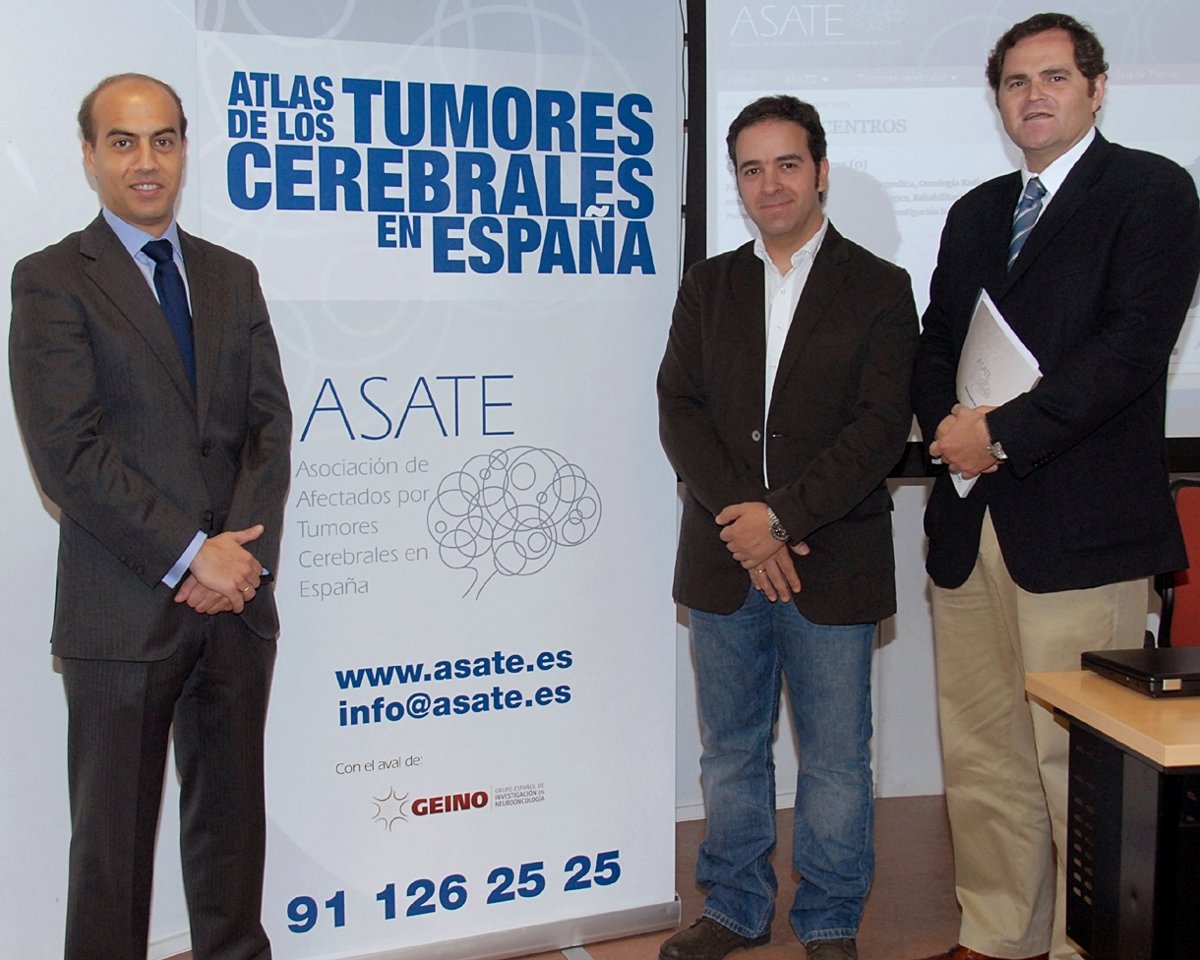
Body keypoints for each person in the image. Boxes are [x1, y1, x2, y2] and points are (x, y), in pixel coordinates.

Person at [911, 13, 1200, 960]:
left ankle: (1084, 947)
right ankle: (998, 935)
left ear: (1097, 88)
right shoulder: (975, 211)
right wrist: (950, 430)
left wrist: (996, 435)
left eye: (1055, 77)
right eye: (1015, 81)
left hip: (1084, 528)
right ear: (997, 100)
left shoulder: (1152, 191)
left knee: (1080, 759)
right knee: (983, 748)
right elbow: (936, 343)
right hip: (971, 523)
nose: (1033, 95)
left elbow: (1130, 350)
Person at [9, 73, 292, 960]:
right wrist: (191, 553)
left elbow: (268, 428)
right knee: (113, 854)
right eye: (123, 142)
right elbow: (68, 454)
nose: (146, 161)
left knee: (232, 837)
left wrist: (237, 562)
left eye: (163, 140)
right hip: (122, 611)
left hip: (235, 607)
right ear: (89, 156)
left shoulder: (232, 276)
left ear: (183, 150)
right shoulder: (52, 280)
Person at [657, 95, 918, 960]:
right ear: (737, 182)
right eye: (752, 168)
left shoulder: (879, 287)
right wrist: (747, 523)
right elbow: (679, 407)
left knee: (837, 757)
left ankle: (831, 919)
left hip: (831, 558)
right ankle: (735, 908)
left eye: (788, 164)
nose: (770, 184)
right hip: (725, 557)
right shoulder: (709, 285)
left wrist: (782, 520)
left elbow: (880, 428)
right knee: (731, 751)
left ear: (822, 171)